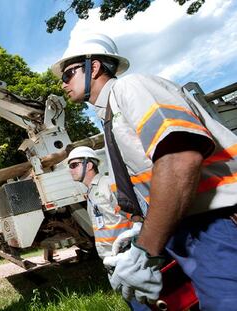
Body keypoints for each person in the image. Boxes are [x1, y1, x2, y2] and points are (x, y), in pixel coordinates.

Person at [52, 32, 237, 310]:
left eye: (68, 74)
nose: (63, 83)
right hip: (182, 227)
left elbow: (179, 160)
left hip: (211, 224)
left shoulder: (132, 88)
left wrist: (145, 249)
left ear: (94, 67)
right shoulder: (110, 119)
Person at [67, 146, 148, 311]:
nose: (70, 170)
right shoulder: (91, 192)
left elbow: (136, 217)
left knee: (142, 304)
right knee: (133, 303)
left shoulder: (108, 184)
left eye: (74, 164)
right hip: (112, 259)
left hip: (127, 256)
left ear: (89, 165)